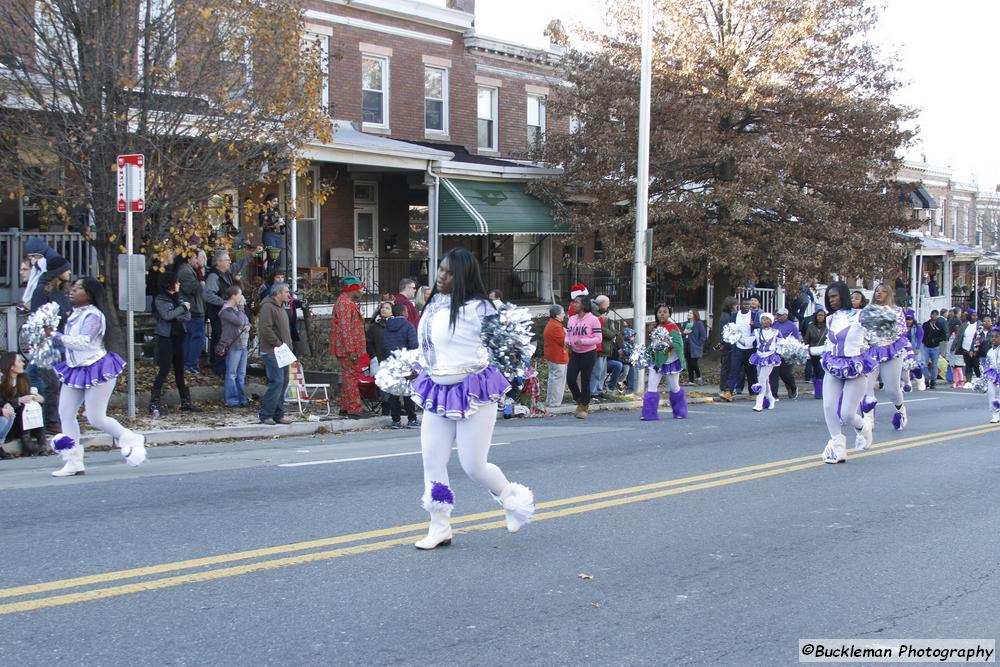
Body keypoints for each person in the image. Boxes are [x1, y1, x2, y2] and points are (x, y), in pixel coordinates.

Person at [409, 247, 534, 550]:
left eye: (449, 273)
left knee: (473, 466)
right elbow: (427, 347)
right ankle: (439, 525)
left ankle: (513, 500)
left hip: (473, 390)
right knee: (432, 461)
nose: (441, 276)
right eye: (440, 269)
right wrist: (411, 366)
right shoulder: (435, 303)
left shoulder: (481, 309)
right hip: (437, 388)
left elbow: (509, 347)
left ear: (464, 276)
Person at [47, 277, 146, 476]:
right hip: (75, 368)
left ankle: (130, 438)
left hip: (97, 368)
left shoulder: (94, 315)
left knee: (95, 417)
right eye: (72, 287)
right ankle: (73, 460)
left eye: (78, 288)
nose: (72, 291)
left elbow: (83, 341)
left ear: (89, 294)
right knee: (65, 413)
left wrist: (55, 336)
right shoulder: (74, 314)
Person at [819, 282, 876, 464]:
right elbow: (830, 343)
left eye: (834, 296)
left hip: (855, 366)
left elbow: (875, 335)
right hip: (834, 364)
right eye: (829, 297)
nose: (832, 300)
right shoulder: (830, 319)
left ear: (843, 295)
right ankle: (838, 447)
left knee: (847, 414)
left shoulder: (861, 316)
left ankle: (863, 428)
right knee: (828, 407)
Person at [30, 253, 72, 432]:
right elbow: (38, 317)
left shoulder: (62, 291)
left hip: (61, 340)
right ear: (58, 272)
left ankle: (59, 417)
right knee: (51, 383)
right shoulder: (42, 290)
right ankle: (50, 421)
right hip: (46, 344)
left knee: (61, 382)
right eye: (66, 270)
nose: (69, 272)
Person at [860, 282, 910, 431]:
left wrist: (883, 332)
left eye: (883, 291)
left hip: (891, 350)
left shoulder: (896, 310)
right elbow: (861, 328)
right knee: (866, 386)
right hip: (871, 351)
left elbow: (901, 329)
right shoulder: (867, 310)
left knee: (892, 389)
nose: (879, 293)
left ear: (889, 294)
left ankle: (901, 411)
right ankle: (868, 420)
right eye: (876, 291)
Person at [150, 270, 197, 417]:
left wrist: (180, 311)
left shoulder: (178, 298)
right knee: (164, 369)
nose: (179, 284)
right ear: (170, 284)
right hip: (166, 337)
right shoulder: (160, 299)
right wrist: (181, 309)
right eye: (177, 282)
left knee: (179, 370)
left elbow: (187, 316)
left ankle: (185, 401)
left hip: (178, 337)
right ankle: (154, 402)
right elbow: (167, 315)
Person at [204, 250, 255, 376]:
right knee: (220, 339)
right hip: (219, 314)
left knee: (224, 339)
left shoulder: (226, 273)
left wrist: (251, 255)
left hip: (227, 314)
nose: (229, 262)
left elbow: (238, 265)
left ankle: (223, 367)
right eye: (227, 260)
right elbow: (207, 295)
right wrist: (225, 303)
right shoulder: (214, 277)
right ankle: (218, 368)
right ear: (219, 262)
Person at [329, 275, 369, 419]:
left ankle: (345, 408)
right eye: (360, 288)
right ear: (352, 289)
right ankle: (354, 409)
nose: (362, 291)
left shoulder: (346, 302)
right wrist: (351, 349)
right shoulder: (345, 304)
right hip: (348, 349)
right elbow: (345, 329)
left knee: (348, 377)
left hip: (349, 348)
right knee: (351, 378)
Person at [640, 304, 688, 420]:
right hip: (656, 362)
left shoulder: (673, 328)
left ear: (669, 314)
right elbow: (652, 346)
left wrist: (667, 342)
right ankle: (649, 414)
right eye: (660, 312)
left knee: (674, 387)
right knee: (651, 387)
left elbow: (679, 345)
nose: (662, 314)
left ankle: (680, 411)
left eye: (665, 312)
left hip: (671, 362)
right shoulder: (655, 328)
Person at [258, 282, 293, 425]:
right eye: (286, 292)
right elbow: (266, 329)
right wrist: (279, 344)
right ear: (278, 293)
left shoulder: (281, 308)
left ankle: (279, 414)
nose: (288, 294)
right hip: (272, 351)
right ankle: (266, 414)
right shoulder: (267, 307)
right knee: (276, 382)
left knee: (283, 382)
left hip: (283, 352)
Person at [564, 293, 602, 419]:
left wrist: (584, 341)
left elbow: (598, 339)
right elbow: (568, 335)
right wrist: (567, 341)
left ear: (584, 304)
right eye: (573, 302)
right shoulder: (571, 319)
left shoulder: (593, 320)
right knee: (570, 378)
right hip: (575, 353)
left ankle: (584, 407)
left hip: (589, 353)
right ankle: (579, 400)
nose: (573, 304)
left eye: (576, 302)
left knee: (585, 380)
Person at [0, 352, 46, 456]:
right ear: (11, 366)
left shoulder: (23, 378)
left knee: (34, 406)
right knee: (21, 407)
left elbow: (29, 395)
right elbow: (2, 403)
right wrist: (18, 400)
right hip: (12, 421)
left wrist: (39, 399)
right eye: (19, 361)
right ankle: (27, 443)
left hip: (24, 420)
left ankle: (41, 440)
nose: (23, 364)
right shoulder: (2, 381)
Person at [382, 303, 419, 429]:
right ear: (403, 313)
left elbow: (385, 344)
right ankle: (412, 419)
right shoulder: (408, 326)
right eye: (406, 311)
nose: (408, 313)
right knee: (408, 392)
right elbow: (413, 344)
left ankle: (396, 420)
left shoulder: (387, 327)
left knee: (394, 393)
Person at [219, 286, 252, 408]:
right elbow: (238, 321)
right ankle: (231, 399)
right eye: (239, 295)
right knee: (232, 373)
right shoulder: (226, 311)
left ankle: (242, 398)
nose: (241, 298)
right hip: (233, 344)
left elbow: (246, 321)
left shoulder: (238, 309)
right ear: (233, 295)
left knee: (241, 373)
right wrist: (242, 308)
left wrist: (248, 325)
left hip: (243, 344)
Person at [720, 297, 756, 402]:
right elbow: (730, 328)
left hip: (750, 347)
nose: (746, 306)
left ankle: (753, 392)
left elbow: (758, 328)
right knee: (734, 369)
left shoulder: (754, 315)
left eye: (748, 305)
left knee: (751, 371)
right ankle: (728, 392)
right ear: (740, 305)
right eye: (744, 304)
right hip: (738, 347)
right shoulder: (735, 315)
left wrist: (754, 325)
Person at [178, 251, 207, 373]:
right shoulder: (185, 271)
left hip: (194, 309)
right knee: (197, 338)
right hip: (194, 310)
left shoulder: (190, 270)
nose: (197, 261)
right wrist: (202, 283)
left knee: (190, 338)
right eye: (195, 258)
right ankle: (190, 364)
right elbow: (191, 289)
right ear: (188, 259)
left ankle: (188, 364)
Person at [749, 312, 780, 412]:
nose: (764, 321)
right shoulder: (757, 331)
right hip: (759, 356)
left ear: (771, 321)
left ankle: (759, 404)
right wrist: (736, 337)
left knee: (761, 379)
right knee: (765, 381)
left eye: (767, 319)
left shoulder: (776, 332)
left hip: (770, 357)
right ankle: (771, 399)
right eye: (763, 319)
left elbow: (783, 343)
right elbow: (748, 341)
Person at [367, 300, 393, 417]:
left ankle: (395, 407)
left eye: (387, 308)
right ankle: (385, 407)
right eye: (382, 308)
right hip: (379, 360)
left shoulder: (396, 325)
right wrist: (373, 356)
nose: (384, 310)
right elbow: (369, 343)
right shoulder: (374, 327)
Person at [769, 307, 800, 399]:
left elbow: (796, 340)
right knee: (773, 373)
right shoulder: (774, 324)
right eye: (777, 315)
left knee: (785, 373)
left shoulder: (791, 326)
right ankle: (773, 394)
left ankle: (793, 388)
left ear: (786, 316)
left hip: (786, 353)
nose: (778, 317)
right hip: (775, 352)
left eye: (780, 315)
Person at [543, 304, 568, 408]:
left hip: (553, 356)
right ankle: (555, 402)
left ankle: (550, 401)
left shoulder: (552, 324)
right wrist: (567, 333)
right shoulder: (556, 326)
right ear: (557, 315)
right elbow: (564, 342)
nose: (564, 315)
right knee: (558, 380)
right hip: (558, 357)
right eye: (562, 313)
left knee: (553, 379)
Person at [589, 295, 614, 400]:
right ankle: (592, 391)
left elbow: (612, 332)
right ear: (603, 304)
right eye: (607, 304)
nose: (608, 306)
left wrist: (611, 333)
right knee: (597, 371)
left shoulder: (602, 315)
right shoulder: (595, 315)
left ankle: (598, 390)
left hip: (604, 348)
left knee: (602, 372)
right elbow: (605, 331)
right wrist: (611, 333)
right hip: (599, 348)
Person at [952, 309, 983, 386]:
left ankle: (979, 380)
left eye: (976, 315)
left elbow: (979, 337)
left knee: (976, 365)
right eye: (973, 315)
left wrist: (975, 349)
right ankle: (968, 382)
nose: (975, 317)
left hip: (976, 349)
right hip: (965, 348)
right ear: (969, 316)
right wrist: (953, 346)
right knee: (968, 365)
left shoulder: (979, 325)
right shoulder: (964, 324)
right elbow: (959, 336)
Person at [804, 308, 827, 398]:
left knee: (821, 371)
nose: (820, 317)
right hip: (813, 352)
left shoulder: (827, 326)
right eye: (818, 315)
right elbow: (807, 339)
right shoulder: (811, 326)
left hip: (824, 352)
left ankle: (820, 393)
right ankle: (817, 389)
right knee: (815, 372)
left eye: (822, 315)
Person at [922, 309, 947, 389]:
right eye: (933, 314)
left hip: (935, 347)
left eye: (936, 315)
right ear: (930, 315)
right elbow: (922, 334)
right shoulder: (926, 324)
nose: (934, 316)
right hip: (926, 346)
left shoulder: (940, 325)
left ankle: (933, 381)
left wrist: (935, 340)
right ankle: (926, 380)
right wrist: (924, 341)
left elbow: (944, 336)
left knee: (934, 365)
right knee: (924, 364)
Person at [717, 296, 737, 393]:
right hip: (727, 344)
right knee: (726, 366)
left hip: (725, 344)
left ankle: (724, 386)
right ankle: (724, 386)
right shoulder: (727, 317)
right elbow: (726, 331)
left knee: (726, 366)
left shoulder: (725, 315)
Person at [682, 309, 706, 386]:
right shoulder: (686, 324)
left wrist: (698, 344)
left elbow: (703, 336)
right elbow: (681, 333)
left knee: (694, 363)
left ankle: (699, 377)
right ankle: (691, 381)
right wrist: (684, 332)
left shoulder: (699, 324)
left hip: (695, 347)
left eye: (691, 313)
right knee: (689, 364)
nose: (689, 314)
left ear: (695, 314)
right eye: (688, 312)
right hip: (687, 346)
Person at [983, 326, 1000, 423]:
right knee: (991, 394)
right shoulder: (990, 351)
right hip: (992, 375)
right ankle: (995, 415)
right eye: (992, 336)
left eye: (996, 337)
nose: (993, 338)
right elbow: (987, 364)